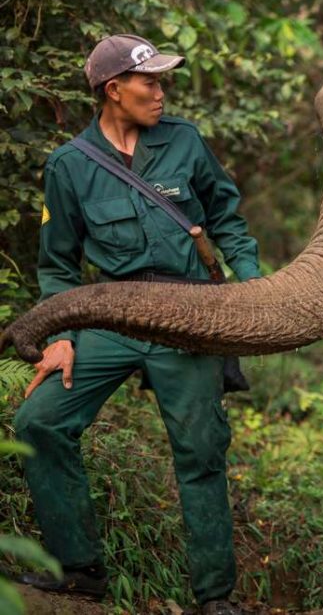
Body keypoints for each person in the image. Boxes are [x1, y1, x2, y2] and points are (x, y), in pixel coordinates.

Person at [14, 34, 260, 615]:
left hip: (190, 316)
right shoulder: (70, 165)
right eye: (150, 81)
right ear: (113, 90)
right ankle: (79, 570)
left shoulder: (184, 142)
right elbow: (57, 265)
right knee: (39, 421)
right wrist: (63, 338)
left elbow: (227, 216)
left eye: (162, 81)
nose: (161, 91)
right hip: (112, 315)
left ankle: (215, 597)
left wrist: (252, 291)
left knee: (200, 451)